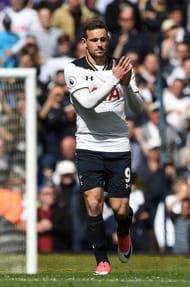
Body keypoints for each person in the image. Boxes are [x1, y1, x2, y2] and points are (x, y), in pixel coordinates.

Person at [64, 19, 143, 275]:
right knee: (94, 202)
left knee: (121, 209)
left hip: (119, 145)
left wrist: (126, 84)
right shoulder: (73, 69)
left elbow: (137, 107)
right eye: (94, 40)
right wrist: (114, 80)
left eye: (103, 39)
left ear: (108, 40)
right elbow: (86, 103)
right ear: (85, 43)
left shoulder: (121, 66)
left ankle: (123, 232)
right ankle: (102, 260)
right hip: (88, 145)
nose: (100, 44)